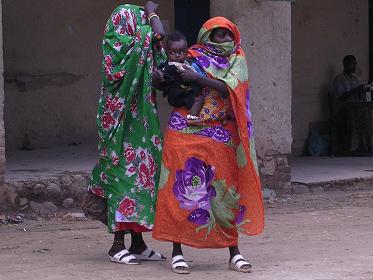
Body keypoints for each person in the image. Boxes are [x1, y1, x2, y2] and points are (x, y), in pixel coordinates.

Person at [152, 17, 265, 274]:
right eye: (218, 35)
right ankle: (177, 252)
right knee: (177, 191)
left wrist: (198, 78)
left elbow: (230, 91)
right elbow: (167, 80)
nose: (223, 40)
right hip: (183, 129)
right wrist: (160, 78)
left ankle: (233, 252)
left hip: (220, 132)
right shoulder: (191, 55)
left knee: (225, 193)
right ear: (207, 37)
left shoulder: (238, 60)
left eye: (227, 35)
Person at [87, 2, 167, 265]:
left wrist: (152, 23)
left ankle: (138, 243)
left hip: (143, 117)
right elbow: (115, 65)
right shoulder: (124, 14)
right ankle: (116, 245)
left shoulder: (146, 19)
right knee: (122, 174)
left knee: (143, 178)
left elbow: (160, 53)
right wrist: (152, 19)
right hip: (120, 114)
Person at [158, 30, 205, 123]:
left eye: (181, 52)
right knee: (199, 99)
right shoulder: (169, 65)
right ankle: (192, 117)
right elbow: (160, 73)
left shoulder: (189, 64)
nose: (177, 55)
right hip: (176, 94)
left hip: (183, 92)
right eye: (172, 53)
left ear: (187, 52)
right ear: (167, 53)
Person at [330, 55, 366, 155]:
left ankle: (367, 145)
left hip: (354, 108)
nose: (354, 66)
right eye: (352, 64)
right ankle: (352, 147)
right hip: (342, 109)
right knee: (353, 117)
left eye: (355, 64)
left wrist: (363, 91)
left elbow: (358, 95)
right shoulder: (339, 79)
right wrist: (356, 90)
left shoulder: (355, 79)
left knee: (368, 116)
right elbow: (341, 98)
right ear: (345, 65)